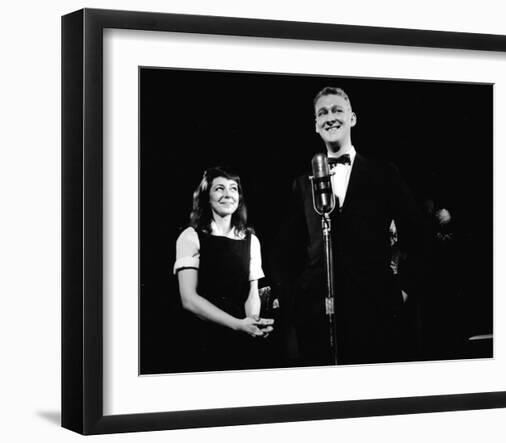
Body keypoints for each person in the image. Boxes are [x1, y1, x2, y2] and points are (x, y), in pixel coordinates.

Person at [271, 87, 429, 366]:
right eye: (322, 113)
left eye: (337, 110)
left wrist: (401, 291)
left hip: (375, 310)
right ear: (315, 125)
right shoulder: (302, 183)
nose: (329, 117)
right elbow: (284, 250)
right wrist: (296, 301)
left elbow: (417, 236)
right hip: (318, 316)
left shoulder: (383, 173)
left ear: (352, 118)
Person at [173, 167, 274, 371]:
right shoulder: (190, 237)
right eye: (219, 188)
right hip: (203, 340)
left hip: (240, 337)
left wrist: (252, 323)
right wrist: (237, 324)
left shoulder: (251, 240)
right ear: (206, 197)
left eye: (233, 189)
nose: (228, 194)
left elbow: (252, 294)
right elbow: (189, 299)